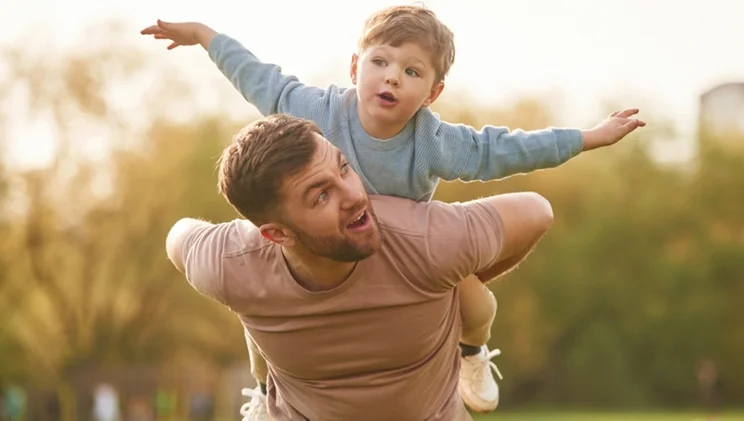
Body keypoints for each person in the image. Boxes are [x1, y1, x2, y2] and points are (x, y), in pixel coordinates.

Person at [143, 4, 645, 415]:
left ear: (432, 92)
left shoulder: (435, 143)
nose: (392, 79)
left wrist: (586, 138)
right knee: (259, 324)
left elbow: (505, 150)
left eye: (412, 72)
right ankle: (266, 393)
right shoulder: (315, 111)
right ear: (356, 66)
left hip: (403, 257)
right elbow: (260, 79)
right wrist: (205, 35)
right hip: (324, 250)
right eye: (381, 63)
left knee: (479, 306)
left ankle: (470, 354)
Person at [166, 114, 563, 420]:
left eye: (343, 168)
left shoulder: (423, 241)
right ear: (276, 234)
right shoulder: (231, 263)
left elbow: (536, 212)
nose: (355, 195)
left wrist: (452, 285)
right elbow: (178, 238)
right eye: (321, 196)